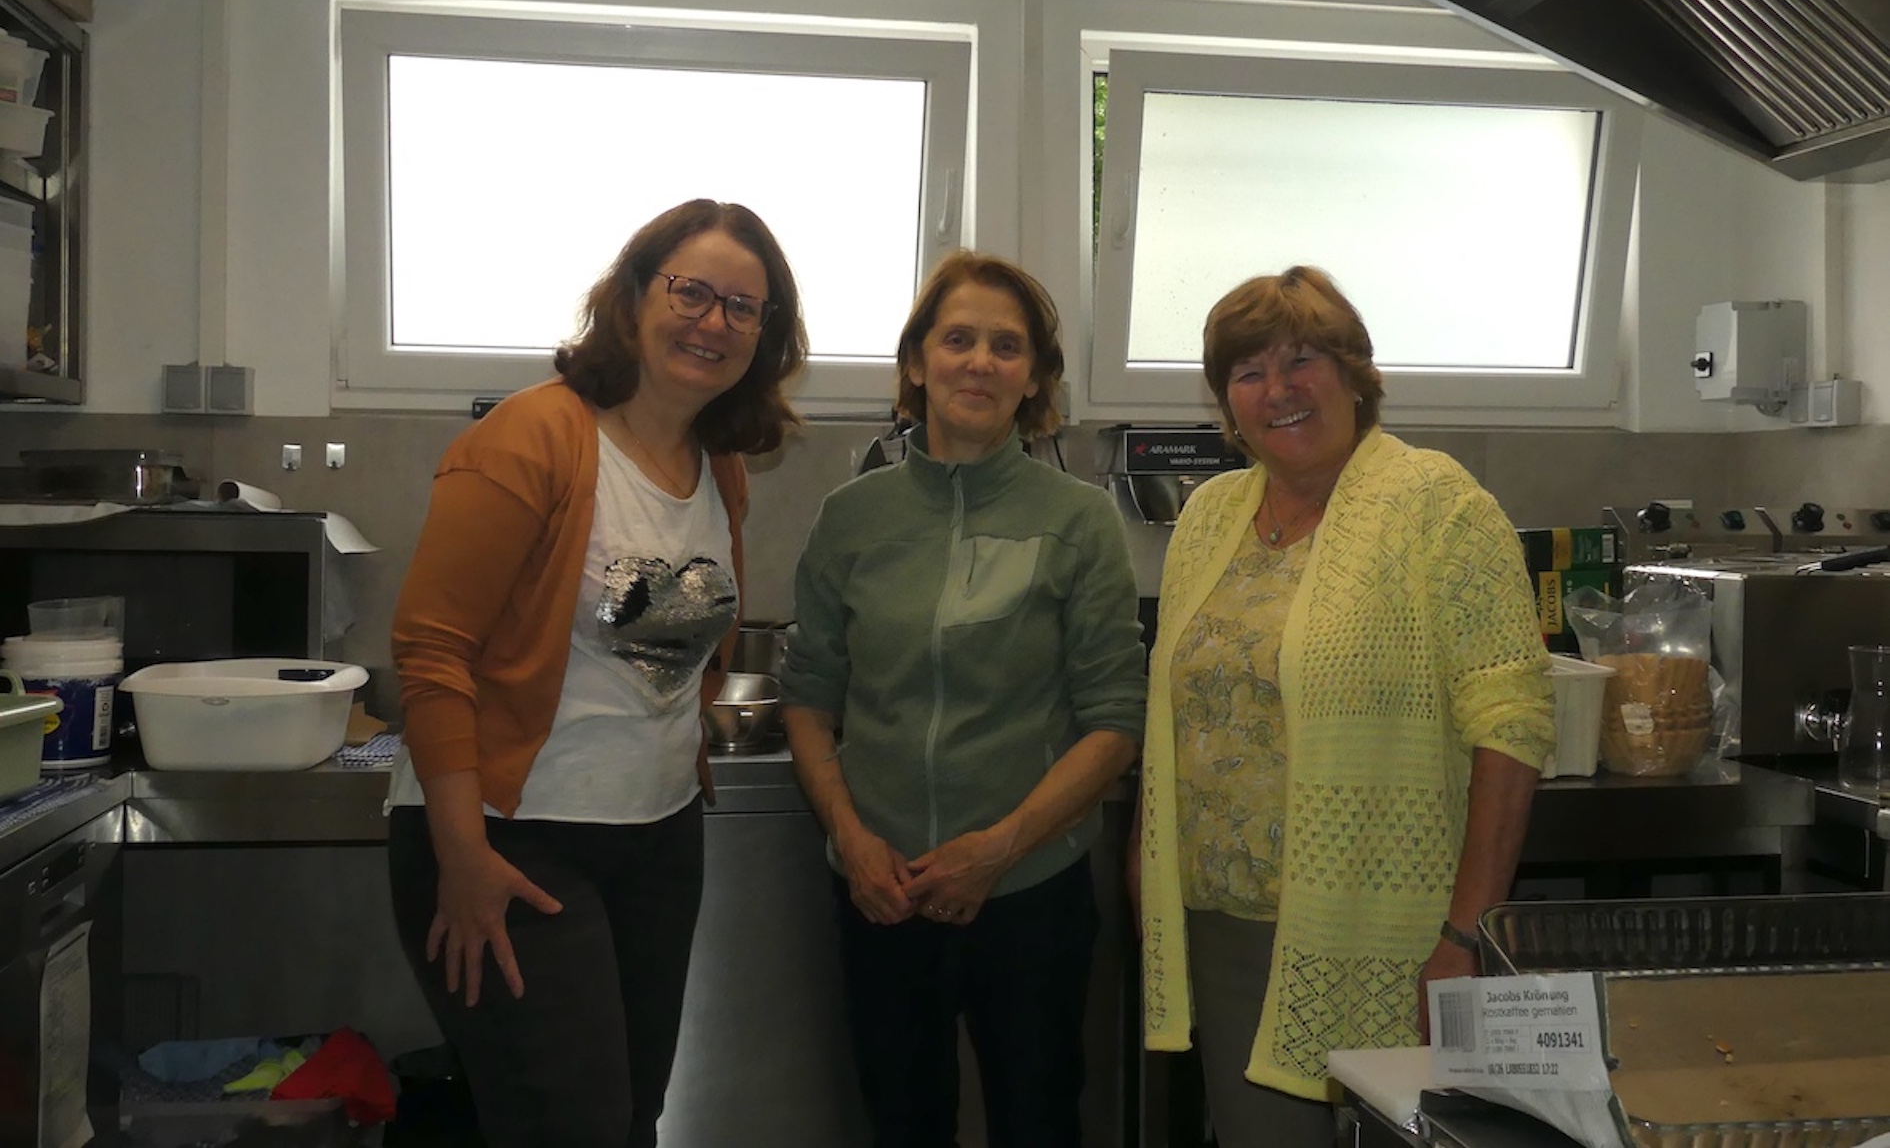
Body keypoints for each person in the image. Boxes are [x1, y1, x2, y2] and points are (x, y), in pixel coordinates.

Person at [383, 198, 807, 1148]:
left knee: (630, 1121)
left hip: (657, 838)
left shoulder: (717, 465)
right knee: (568, 1126)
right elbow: (432, 650)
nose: (713, 321)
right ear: (632, 296)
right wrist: (462, 857)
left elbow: (684, 652)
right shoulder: (532, 437)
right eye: (690, 291)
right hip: (511, 838)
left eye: (744, 307)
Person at [1135, 266, 1553, 1147]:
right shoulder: (1209, 515)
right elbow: (1175, 711)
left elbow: (1511, 722)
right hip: (1223, 928)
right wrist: (1147, 862)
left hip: (1384, 930)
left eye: (1302, 360)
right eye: (1248, 372)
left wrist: (1466, 933)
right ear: (1226, 401)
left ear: (1355, 374)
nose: (1278, 390)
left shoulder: (1437, 504)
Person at [781, 250, 1147, 1148]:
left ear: (1035, 378)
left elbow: (1114, 719)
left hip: (1029, 889)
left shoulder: (1080, 520)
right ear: (917, 361)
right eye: (958, 340)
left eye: (1006, 346)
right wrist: (851, 838)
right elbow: (810, 694)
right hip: (882, 890)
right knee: (902, 1123)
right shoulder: (851, 518)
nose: (980, 362)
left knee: (1038, 1122)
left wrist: (999, 847)